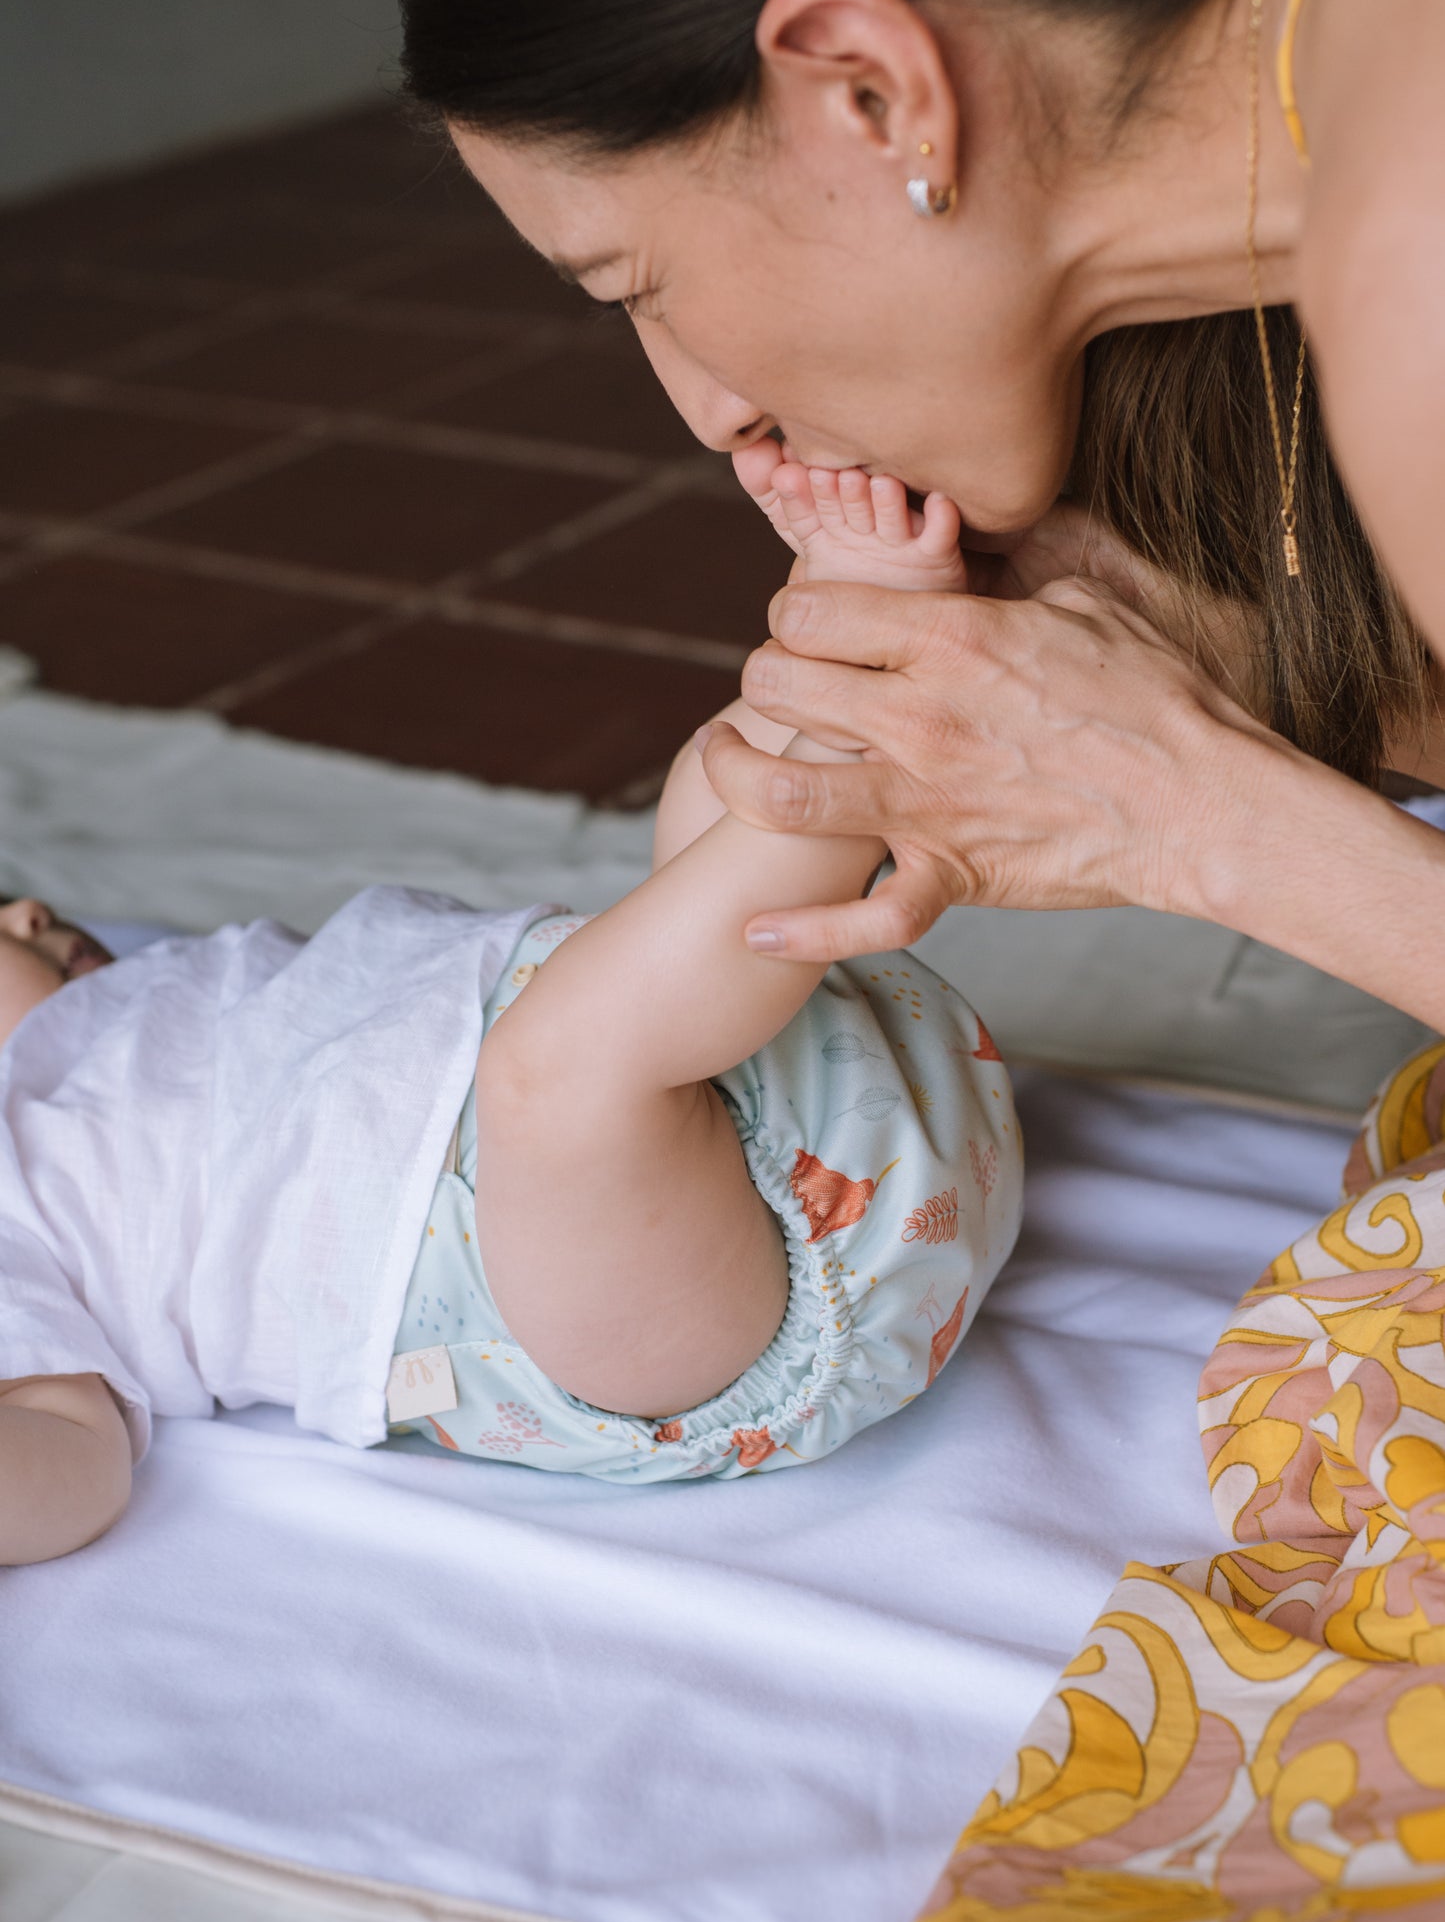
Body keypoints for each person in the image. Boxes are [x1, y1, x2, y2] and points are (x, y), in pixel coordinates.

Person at [395, 0, 1445, 1026]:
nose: (709, 413)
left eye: (640, 283)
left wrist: (1189, 811)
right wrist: (1236, 659)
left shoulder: (1411, 257)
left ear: (870, 91)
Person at [0, 482, 1019, 1567]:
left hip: (778, 1067)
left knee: (698, 811)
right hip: (650, 1296)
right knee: (557, 1062)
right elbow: (71, 1452)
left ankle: (840, 634)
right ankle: (875, 702)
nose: (23, 912)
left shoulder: (129, 1016)